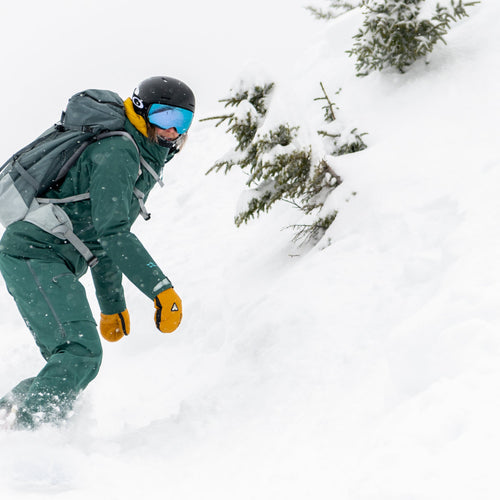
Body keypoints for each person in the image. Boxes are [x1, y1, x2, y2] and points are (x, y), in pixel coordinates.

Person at [0, 76, 195, 430]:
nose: (172, 131)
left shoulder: (139, 157)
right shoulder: (119, 152)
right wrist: (160, 288)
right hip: (32, 253)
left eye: (181, 122)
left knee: (73, 361)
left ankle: (9, 416)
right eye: (165, 117)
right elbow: (113, 233)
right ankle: (28, 437)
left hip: (46, 256)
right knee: (80, 353)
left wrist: (112, 305)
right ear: (140, 111)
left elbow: (101, 240)